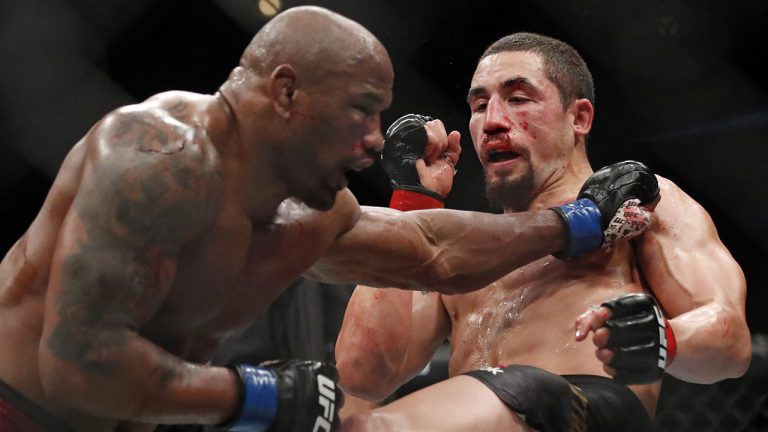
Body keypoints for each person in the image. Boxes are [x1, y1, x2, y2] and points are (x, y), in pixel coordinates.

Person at [0, 8, 655, 432]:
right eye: (360, 110)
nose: (375, 141)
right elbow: (77, 362)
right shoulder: (157, 161)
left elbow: (432, 251)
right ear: (286, 92)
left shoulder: (307, 207)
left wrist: (574, 223)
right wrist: (254, 396)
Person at [336, 32, 752, 431]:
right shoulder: (461, 253)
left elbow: (729, 342)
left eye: (519, 99)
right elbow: (363, 373)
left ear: (580, 117)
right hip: (480, 416)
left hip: (581, 408)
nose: (493, 121)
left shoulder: (640, 205)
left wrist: (664, 338)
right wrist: (412, 202)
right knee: (356, 421)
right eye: (480, 105)